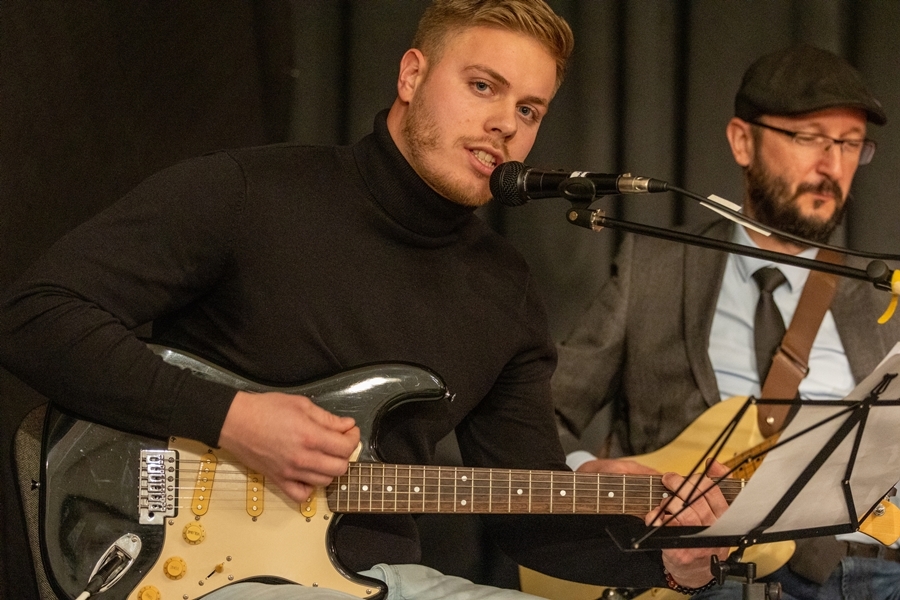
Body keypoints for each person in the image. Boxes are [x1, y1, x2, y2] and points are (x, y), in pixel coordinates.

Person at [0, 2, 728, 599]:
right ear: (412, 74)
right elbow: (34, 316)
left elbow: (532, 518)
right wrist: (231, 418)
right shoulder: (250, 192)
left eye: (530, 109)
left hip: (381, 581)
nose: (507, 123)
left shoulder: (503, 291)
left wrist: (664, 561)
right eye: (483, 86)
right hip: (193, 567)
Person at [552, 43, 900, 600]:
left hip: (875, 572)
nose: (832, 166)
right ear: (742, 141)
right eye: (809, 138)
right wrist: (587, 473)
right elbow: (542, 412)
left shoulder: (885, 291)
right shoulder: (655, 270)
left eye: (850, 143)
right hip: (705, 574)